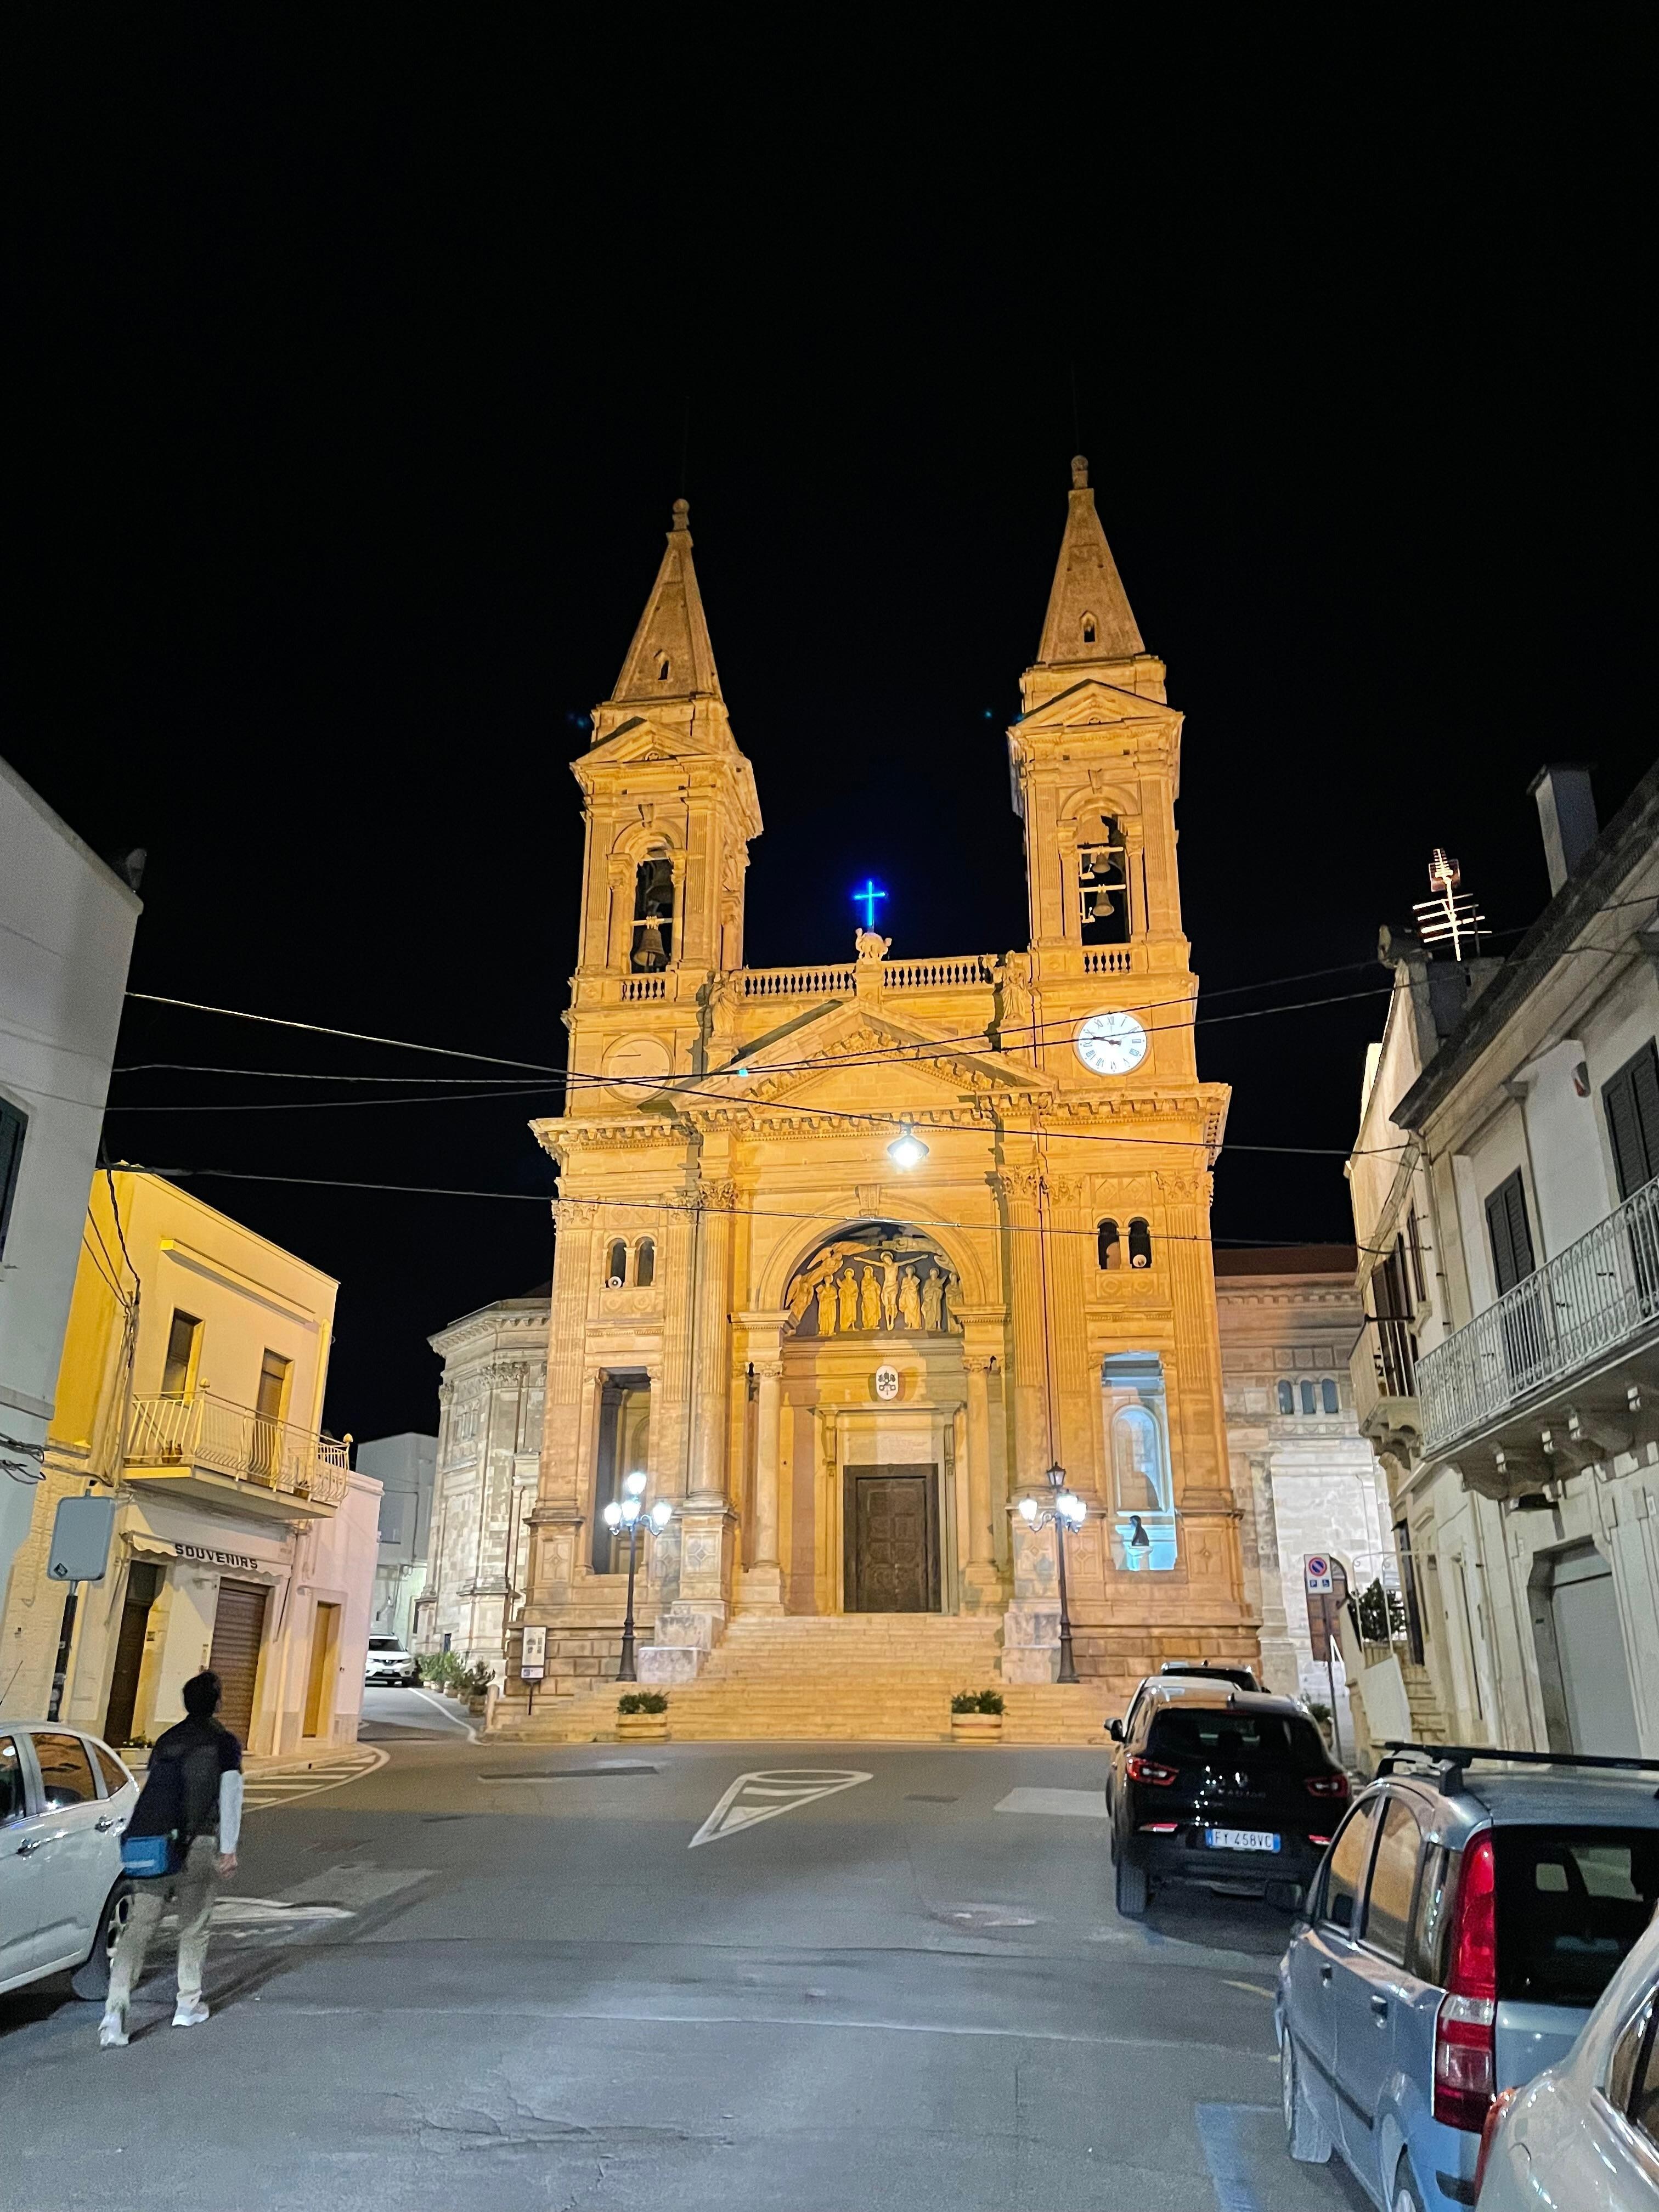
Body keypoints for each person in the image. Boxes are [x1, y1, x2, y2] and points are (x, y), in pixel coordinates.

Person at [100, 1668, 244, 2046]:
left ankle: (115, 2014)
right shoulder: (225, 1743)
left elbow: (156, 1795)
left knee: (139, 1928)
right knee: (194, 1926)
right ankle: (187, 2005)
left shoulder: (166, 1741)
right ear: (216, 1702)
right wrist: (229, 1848)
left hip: (152, 1846)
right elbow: (230, 1795)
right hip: (198, 1846)